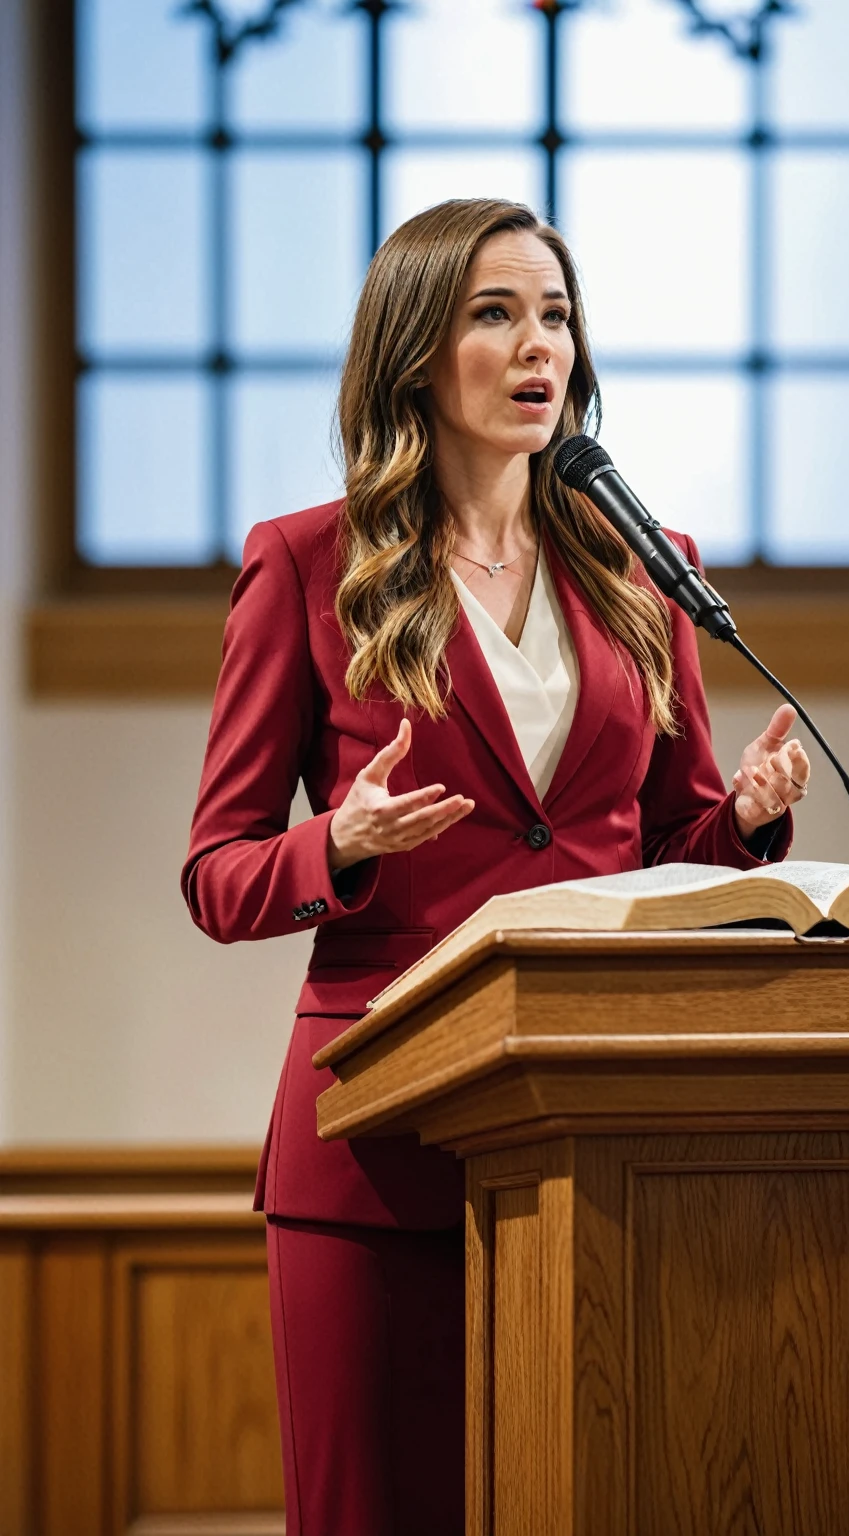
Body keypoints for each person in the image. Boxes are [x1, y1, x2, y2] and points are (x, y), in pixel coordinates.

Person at [182, 197, 810, 1536]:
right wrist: (335, 845)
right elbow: (219, 874)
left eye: (558, 317)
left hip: (597, 1124)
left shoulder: (648, 570)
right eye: (496, 314)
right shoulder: (305, 563)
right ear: (415, 351)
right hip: (375, 1141)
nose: (541, 348)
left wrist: (745, 826)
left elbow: (669, 846)